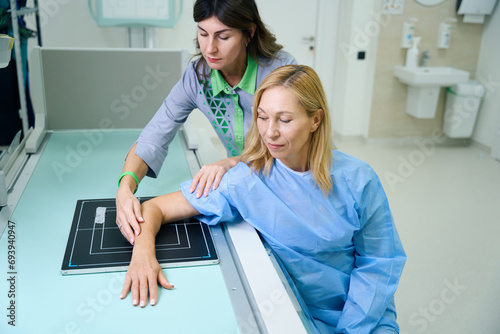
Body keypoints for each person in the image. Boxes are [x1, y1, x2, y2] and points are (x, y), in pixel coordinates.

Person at [120, 65, 407, 333]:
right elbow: (155, 207)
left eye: (284, 120)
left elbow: (379, 262)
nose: (270, 132)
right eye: (262, 116)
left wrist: (353, 328)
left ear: (315, 120)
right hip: (298, 313)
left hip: (365, 315)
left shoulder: (358, 179)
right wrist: (143, 255)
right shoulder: (246, 181)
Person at [116, 0, 296, 245]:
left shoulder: (282, 72)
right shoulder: (198, 76)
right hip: (242, 182)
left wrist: (231, 163)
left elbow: (292, 149)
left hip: (289, 183)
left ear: (249, 33)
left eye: (223, 37)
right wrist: (125, 188)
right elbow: (155, 134)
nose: (209, 48)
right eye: (203, 34)